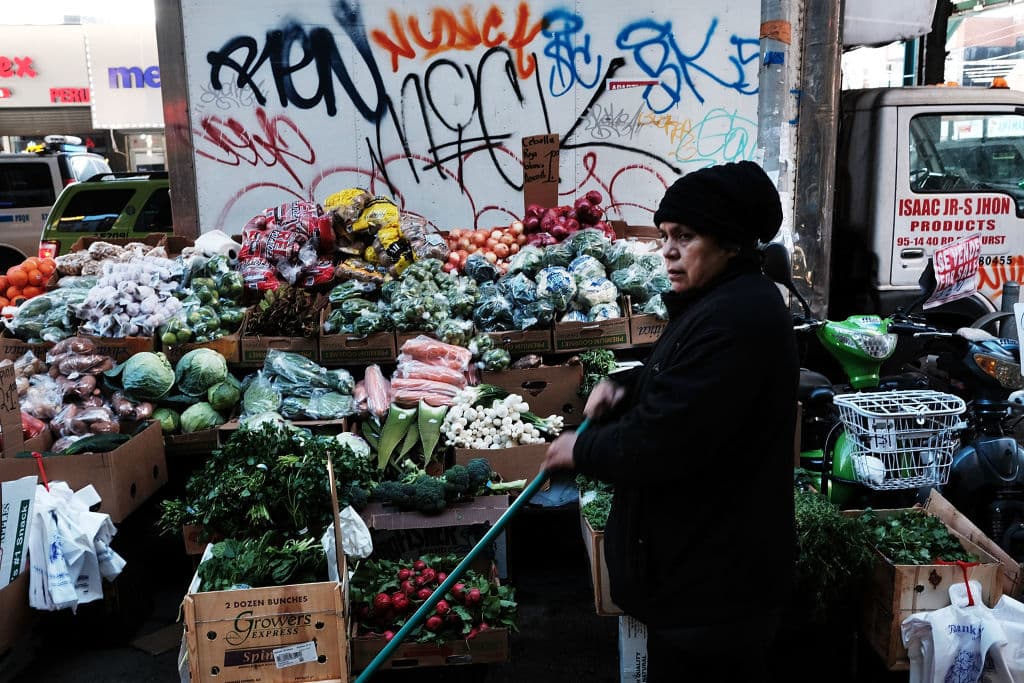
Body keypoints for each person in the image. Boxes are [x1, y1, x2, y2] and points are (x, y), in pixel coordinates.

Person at [543, 161, 799, 681]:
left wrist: (581, 450)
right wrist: (626, 386)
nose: (669, 251)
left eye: (685, 236)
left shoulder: (737, 318)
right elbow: (687, 381)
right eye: (664, 236)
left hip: (715, 593)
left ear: (729, 242)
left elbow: (663, 442)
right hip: (696, 583)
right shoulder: (714, 304)